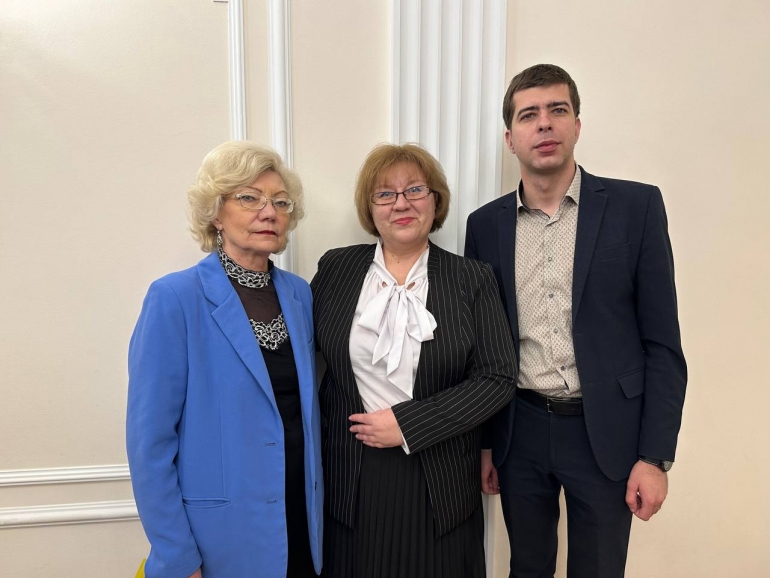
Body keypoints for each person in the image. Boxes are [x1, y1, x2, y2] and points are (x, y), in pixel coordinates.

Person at [465, 63, 688, 577]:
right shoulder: (485, 226)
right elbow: (482, 345)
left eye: (557, 110)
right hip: (519, 429)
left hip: (606, 431)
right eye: (528, 115)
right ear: (510, 138)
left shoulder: (636, 208)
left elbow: (663, 345)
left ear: (577, 125)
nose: (544, 123)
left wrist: (655, 457)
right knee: (527, 567)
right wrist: (485, 443)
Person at [311, 143, 517, 578]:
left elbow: (497, 377)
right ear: (370, 208)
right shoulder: (335, 269)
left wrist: (408, 424)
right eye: (384, 194)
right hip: (351, 479)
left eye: (415, 190)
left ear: (435, 201)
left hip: (440, 481)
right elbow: (303, 357)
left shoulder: (472, 278)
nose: (401, 204)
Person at [126, 142, 322, 578]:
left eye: (280, 202)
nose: (269, 212)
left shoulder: (299, 295)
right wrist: (177, 557)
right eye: (250, 198)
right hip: (218, 538)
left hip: (300, 523)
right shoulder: (174, 298)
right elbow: (149, 445)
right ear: (216, 213)